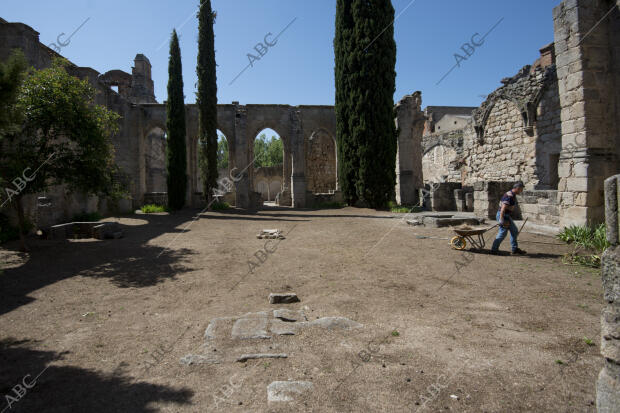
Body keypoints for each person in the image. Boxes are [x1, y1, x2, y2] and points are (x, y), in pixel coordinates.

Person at [491, 181, 527, 255]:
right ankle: (494, 250)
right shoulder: (509, 196)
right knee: (502, 233)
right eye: (521, 189)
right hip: (503, 215)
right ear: (517, 188)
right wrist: (501, 220)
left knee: (514, 231)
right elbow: (503, 209)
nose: (521, 191)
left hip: (506, 216)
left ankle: (514, 249)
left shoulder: (512, 194)